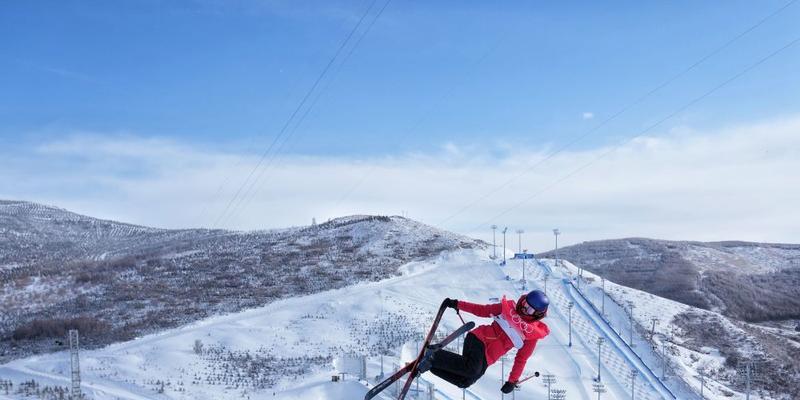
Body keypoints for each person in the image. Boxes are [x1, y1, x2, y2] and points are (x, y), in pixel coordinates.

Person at [418, 290, 550, 394]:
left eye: (530, 309)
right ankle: (434, 356)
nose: (524, 309)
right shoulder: (508, 308)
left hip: (489, 357)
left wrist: (512, 381)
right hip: (479, 338)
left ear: (537, 314)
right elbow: (482, 310)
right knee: (471, 369)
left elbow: (521, 359)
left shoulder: (532, 334)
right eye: (525, 304)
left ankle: (431, 365)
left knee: (465, 381)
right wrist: (457, 303)